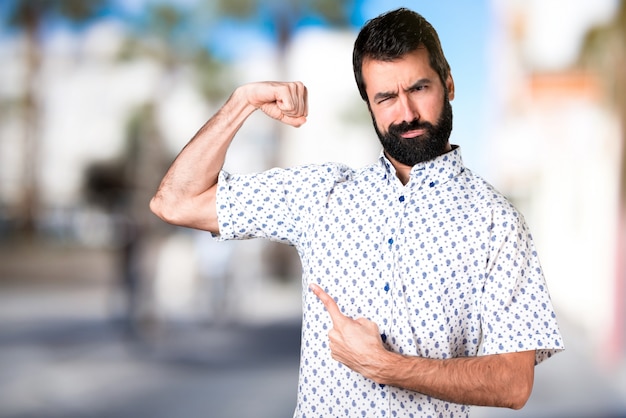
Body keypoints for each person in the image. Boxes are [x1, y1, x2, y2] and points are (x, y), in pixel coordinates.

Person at [150, 8, 564, 417]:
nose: (406, 113)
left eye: (419, 88)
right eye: (385, 97)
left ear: (449, 83)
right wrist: (243, 101)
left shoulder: (496, 221)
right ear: (369, 103)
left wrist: (387, 367)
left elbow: (513, 382)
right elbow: (175, 202)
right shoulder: (320, 195)